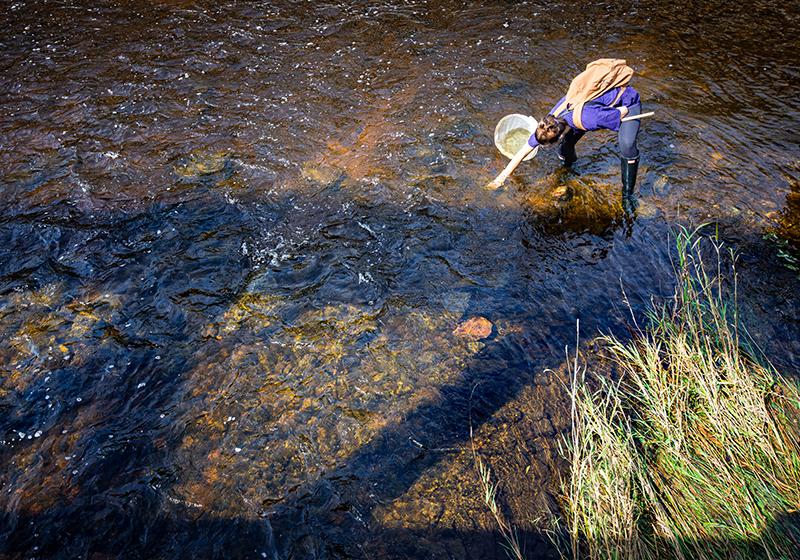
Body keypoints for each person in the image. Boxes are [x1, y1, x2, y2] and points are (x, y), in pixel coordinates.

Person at [487, 79, 642, 211]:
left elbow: (621, 112)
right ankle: (568, 169)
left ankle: (628, 195)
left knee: (627, 145)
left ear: (558, 135)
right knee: (565, 147)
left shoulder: (591, 119)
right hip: (587, 110)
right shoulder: (550, 121)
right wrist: (500, 179)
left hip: (627, 104)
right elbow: (523, 152)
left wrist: (606, 117)